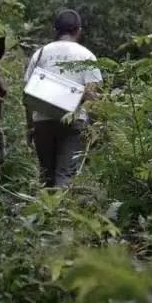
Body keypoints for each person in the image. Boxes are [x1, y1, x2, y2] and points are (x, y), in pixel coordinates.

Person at [23, 9, 102, 187]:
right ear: (78, 30)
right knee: (66, 174)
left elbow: (28, 94)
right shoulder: (86, 56)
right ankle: (60, 204)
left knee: (46, 175)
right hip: (73, 121)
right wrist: (94, 128)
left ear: (55, 30)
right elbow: (93, 96)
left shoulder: (40, 54)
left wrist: (30, 126)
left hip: (42, 120)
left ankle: (46, 203)